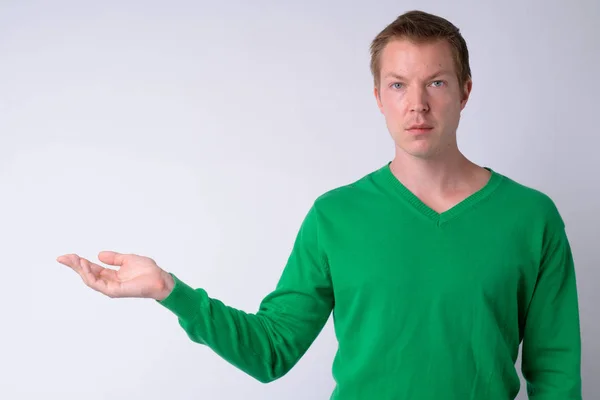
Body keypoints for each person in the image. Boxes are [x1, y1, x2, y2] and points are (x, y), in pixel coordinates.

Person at [57, 10, 582, 400]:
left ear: (465, 92)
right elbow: (271, 350)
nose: (417, 104)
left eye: (436, 83)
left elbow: (556, 373)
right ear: (379, 97)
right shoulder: (336, 217)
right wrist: (169, 291)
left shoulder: (531, 219)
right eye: (399, 85)